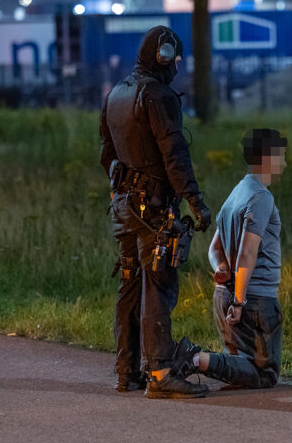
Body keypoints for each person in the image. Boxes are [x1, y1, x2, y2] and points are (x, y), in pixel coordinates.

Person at [99, 26, 212, 399]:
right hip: (155, 210)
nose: (177, 67)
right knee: (158, 286)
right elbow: (174, 156)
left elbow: (106, 153)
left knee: (130, 282)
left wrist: (124, 187)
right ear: (163, 55)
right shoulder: (159, 97)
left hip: (124, 207)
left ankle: (126, 371)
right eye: (175, 59)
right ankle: (161, 373)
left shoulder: (117, 93)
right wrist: (195, 201)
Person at [171, 128, 287, 389]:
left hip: (224, 296)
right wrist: (239, 300)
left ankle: (192, 359)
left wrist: (221, 267)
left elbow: (214, 248)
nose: (284, 163)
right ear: (267, 158)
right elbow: (248, 252)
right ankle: (194, 358)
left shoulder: (237, 192)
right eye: (281, 156)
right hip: (252, 301)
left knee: (238, 367)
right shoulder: (260, 197)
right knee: (263, 374)